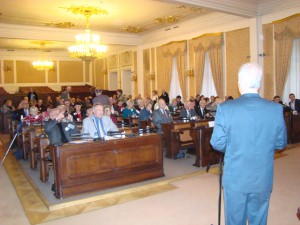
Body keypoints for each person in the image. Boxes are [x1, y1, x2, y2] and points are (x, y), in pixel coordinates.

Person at [210, 63, 287, 225]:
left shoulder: (226, 108)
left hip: (236, 176)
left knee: (234, 221)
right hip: (262, 176)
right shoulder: (275, 109)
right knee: (259, 220)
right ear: (259, 84)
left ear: (239, 83)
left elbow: (217, 143)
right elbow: (281, 143)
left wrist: (234, 148)